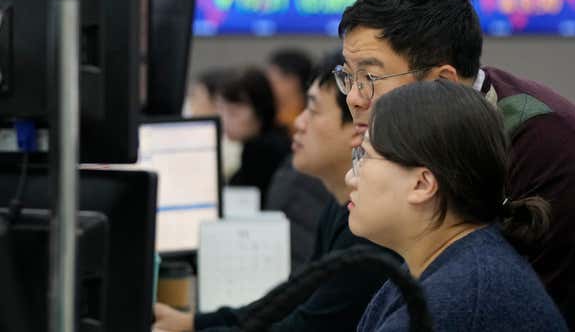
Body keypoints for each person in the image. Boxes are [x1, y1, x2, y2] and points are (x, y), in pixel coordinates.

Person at [334, 0, 575, 316]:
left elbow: (510, 312)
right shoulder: (439, 135)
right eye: (348, 75)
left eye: (370, 78)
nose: (353, 98)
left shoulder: (541, 147)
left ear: (442, 82)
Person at [153, 50, 397, 332]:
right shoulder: (338, 207)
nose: (298, 123)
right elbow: (288, 299)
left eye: (314, 110)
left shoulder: (369, 230)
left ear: (358, 128)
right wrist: (193, 323)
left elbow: (305, 326)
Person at [348, 80, 567, 331]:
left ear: (422, 184)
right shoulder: (447, 268)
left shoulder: (458, 299)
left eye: (365, 156)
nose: (351, 178)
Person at [217, 68, 291, 207]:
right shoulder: (277, 140)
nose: (224, 119)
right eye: (221, 109)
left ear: (260, 112)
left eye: (234, 112)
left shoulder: (261, 151)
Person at [184, 68, 242, 181]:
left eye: (196, 97)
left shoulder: (232, 141)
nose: (191, 103)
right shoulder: (197, 133)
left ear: (216, 101)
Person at [266, 49, 313, 135]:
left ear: (292, 82)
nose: (266, 87)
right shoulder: (268, 117)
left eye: (272, 81)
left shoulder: (310, 120)